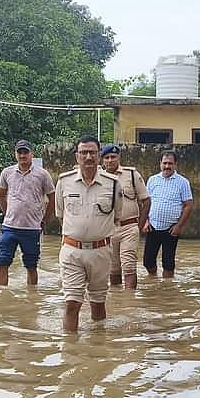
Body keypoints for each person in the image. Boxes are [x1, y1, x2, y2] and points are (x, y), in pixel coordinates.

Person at [55, 135, 123, 332]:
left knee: (98, 302)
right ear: (77, 156)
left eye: (92, 152)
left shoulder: (113, 184)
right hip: (71, 251)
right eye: (83, 152)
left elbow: (116, 216)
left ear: (99, 155)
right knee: (72, 302)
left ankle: (97, 348)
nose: (88, 157)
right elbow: (61, 215)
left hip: (101, 251)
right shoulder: (64, 182)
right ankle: (70, 350)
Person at [0, 139, 55, 286]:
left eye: (25, 152)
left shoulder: (42, 174)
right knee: (2, 263)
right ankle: (2, 298)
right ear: (15, 154)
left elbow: (52, 198)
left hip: (31, 229)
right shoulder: (7, 172)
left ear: (31, 154)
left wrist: (44, 220)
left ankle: (32, 300)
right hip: (9, 227)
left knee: (31, 266)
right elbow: (1, 196)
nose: (23, 155)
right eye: (20, 152)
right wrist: (7, 213)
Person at [100, 144, 150, 289]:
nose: (110, 160)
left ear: (119, 158)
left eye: (113, 157)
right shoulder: (99, 178)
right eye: (107, 157)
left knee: (129, 265)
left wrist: (139, 226)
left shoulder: (132, 175)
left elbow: (146, 201)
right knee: (113, 268)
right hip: (108, 229)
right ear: (102, 160)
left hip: (129, 227)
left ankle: (130, 300)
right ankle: (117, 300)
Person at [143, 151, 192, 278]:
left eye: (170, 163)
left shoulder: (183, 182)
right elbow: (146, 203)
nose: (167, 166)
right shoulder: (152, 180)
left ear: (176, 164)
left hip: (171, 229)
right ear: (160, 164)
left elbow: (188, 205)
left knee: (168, 263)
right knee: (147, 262)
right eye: (164, 163)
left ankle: (167, 289)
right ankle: (153, 281)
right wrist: (146, 221)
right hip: (152, 226)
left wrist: (179, 226)